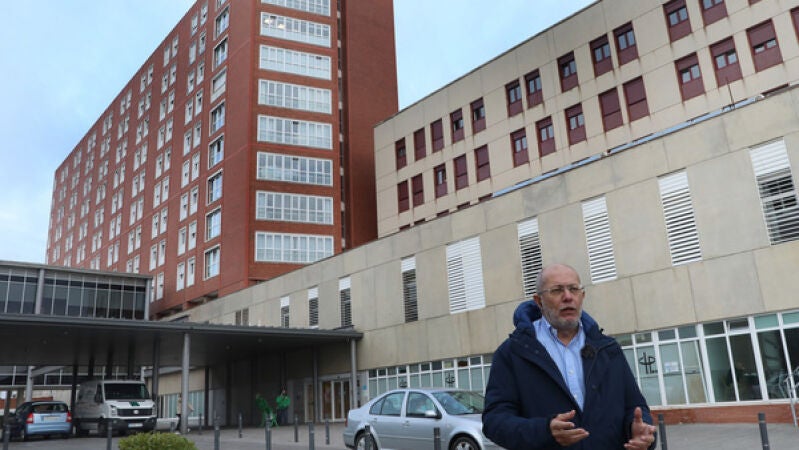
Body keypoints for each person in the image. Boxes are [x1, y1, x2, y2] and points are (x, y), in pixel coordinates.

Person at [482, 263, 657, 450]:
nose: (568, 297)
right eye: (557, 290)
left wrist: (639, 431)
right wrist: (544, 431)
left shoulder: (607, 349)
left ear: (582, 296)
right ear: (539, 301)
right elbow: (495, 421)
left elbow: (635, 407)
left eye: (574, 289)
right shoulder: (513, 352)